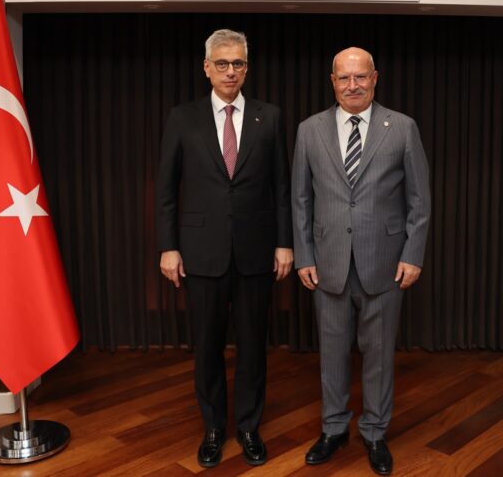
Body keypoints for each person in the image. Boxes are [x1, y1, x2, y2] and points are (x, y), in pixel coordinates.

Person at [155, 28, 293, 469]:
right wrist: (168, 247)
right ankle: (214, 428)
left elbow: (282, 186)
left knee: (253, 347)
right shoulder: (183, 118)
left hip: (256, 252)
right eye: (222, 63)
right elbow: (166, 190)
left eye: (237, 64)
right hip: (201, 252)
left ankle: (249, 427)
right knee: (208, 347)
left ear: (246, 69)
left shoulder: (270, 117)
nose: (230, 71)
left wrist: (284, 242)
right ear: (207, 68)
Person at [292, 47, 431, 475]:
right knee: (332, 353)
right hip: (327, 263)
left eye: (360, 77)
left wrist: (412, 254)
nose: (352, 85)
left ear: (375, 78)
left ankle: (374, 432)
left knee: (379, 354)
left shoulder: (402, 127)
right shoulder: (309, 130)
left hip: (385, 264)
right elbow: (300, 200)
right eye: (344, 78)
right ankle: (334, 429)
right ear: (332, 82)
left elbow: (419, 200)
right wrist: (303, 255)